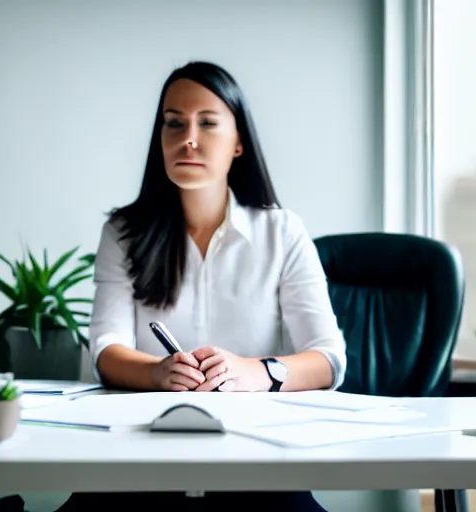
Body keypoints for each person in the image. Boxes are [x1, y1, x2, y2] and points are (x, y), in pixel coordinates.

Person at [56, 61, 346, 512]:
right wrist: (157, 373)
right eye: (174, 123)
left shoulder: (283, 232)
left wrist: (256, 372)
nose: (188, 138)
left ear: (238, 143)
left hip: (256, 458)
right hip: (139, 454)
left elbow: (328, 358)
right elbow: (105, 350)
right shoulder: (124, 232)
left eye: (208, 123)